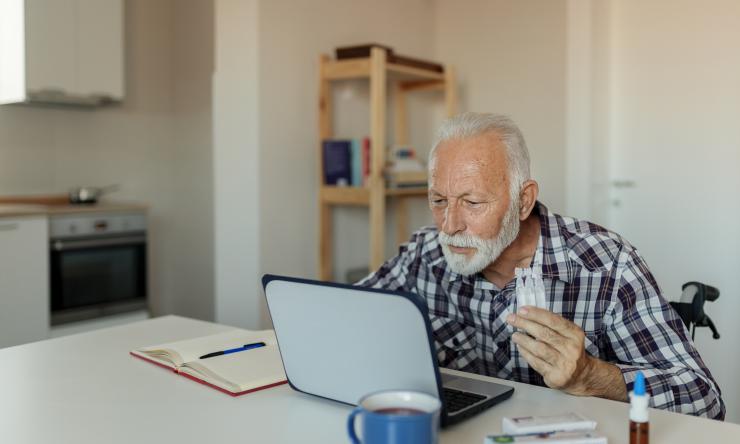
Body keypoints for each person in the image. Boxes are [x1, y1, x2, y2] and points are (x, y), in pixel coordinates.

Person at [358, 112, 725, 420]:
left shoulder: (607, 264)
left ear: (523, 201)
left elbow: (705, 399)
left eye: (472, 202)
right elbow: (348, 315)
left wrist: (591, 375)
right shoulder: (427, 253)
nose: (450, 225)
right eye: (439, 200)